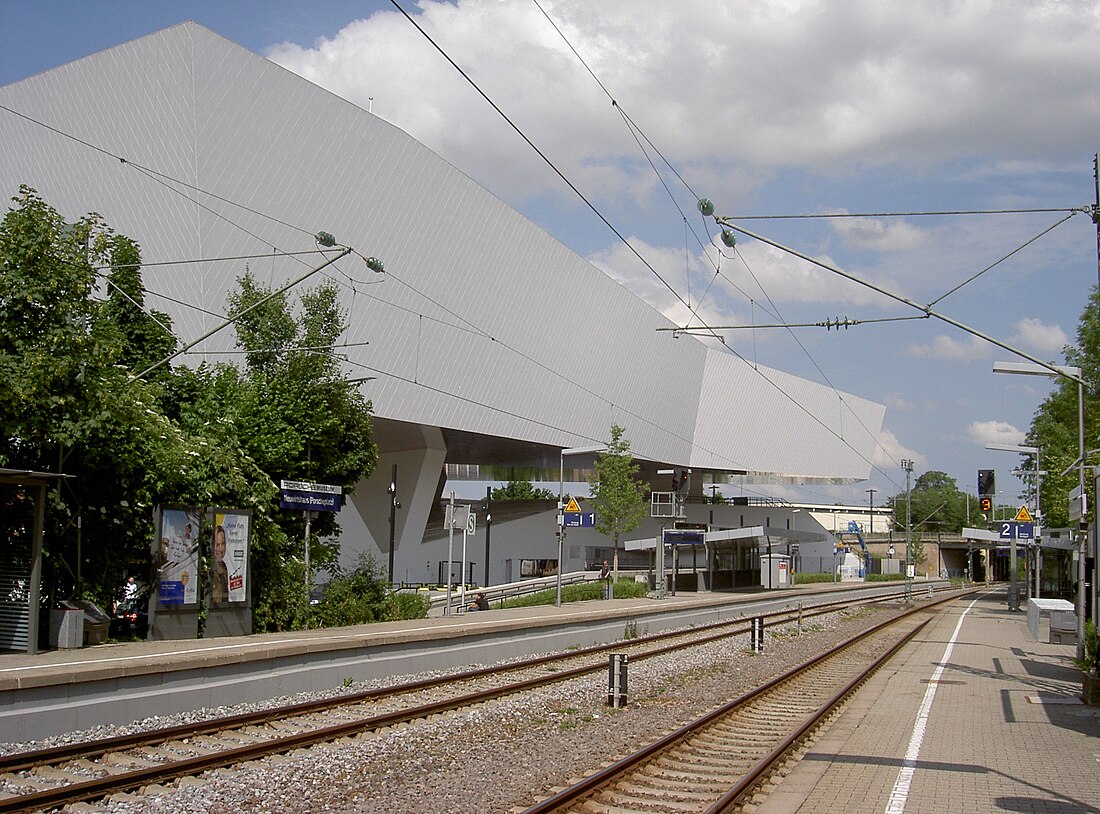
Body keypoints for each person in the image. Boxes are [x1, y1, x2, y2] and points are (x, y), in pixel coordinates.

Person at [210, 524, 229, 604]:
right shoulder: (209, 567)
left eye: (223, 543)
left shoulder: (224, 566)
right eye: (217, 545)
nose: (221, 549)